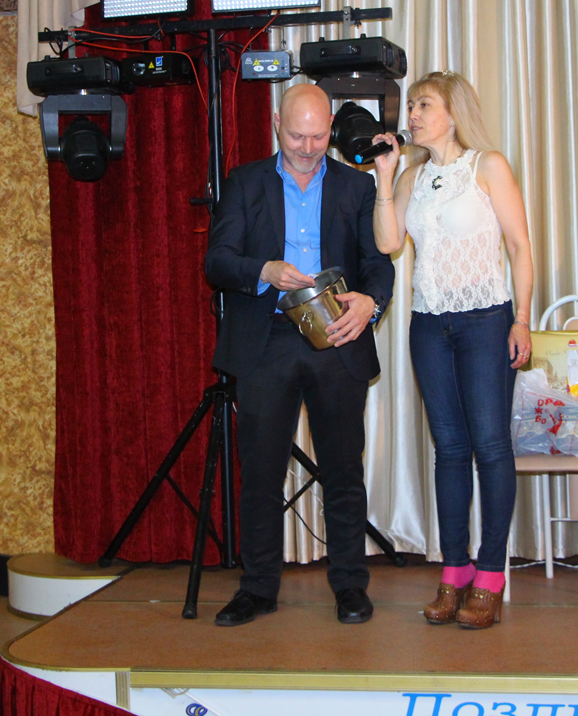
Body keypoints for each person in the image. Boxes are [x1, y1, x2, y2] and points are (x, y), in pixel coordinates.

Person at [205, 83, 395, 626]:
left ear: (331, 128)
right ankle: (258, 588)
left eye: (317, 136)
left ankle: (350, 586)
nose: (308, 148)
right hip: (266, 340)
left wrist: (371, 303)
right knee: (261, 473)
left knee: (343, 470)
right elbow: (217, 261)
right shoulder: (244, 183)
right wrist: (263, 270)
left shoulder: (357, 186)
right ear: (275, 123)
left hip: (338, 336)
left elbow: (379, 263)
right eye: (296, 137)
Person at [372, 71, 533, 629]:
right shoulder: (412, 177)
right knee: (449, 449)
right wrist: (385, 178)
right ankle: (455, 571)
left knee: (490, 445)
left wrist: (522, 320)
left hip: (485, 321)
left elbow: (520, 246)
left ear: (453, 113)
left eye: (423, 105)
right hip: (428, 325)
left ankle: (490, 577)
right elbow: (388, 242)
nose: (412, 115)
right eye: (412, 105)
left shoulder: (488, 166)